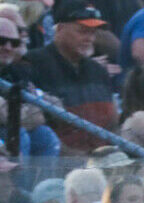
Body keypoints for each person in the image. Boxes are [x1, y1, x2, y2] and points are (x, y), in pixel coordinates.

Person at [13, 0, 118, 153]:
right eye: (83, 30)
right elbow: (35, 129)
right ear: (60, 28)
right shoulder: (32, 65)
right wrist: (79, 160)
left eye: (93, 32)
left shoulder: (99, 72)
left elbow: (113, 125)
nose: (89, 38)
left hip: (104, 162)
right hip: (56, 167)